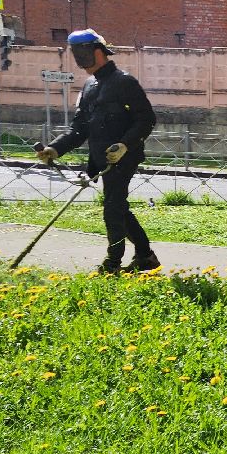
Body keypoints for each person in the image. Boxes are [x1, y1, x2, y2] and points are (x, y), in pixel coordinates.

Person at [37, 29, 160, 274]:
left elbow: (146, 119)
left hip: (124, 156)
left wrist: (125, 145)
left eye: (81, 51)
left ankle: (113, 263)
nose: (78, 58)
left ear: (98, 52)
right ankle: (146, 256)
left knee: (112, 208)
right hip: (101, 159)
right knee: (118, 207)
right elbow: (79, 129)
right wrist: (55, 148)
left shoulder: (124, 82)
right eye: (75, 52)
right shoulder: (90, 86)